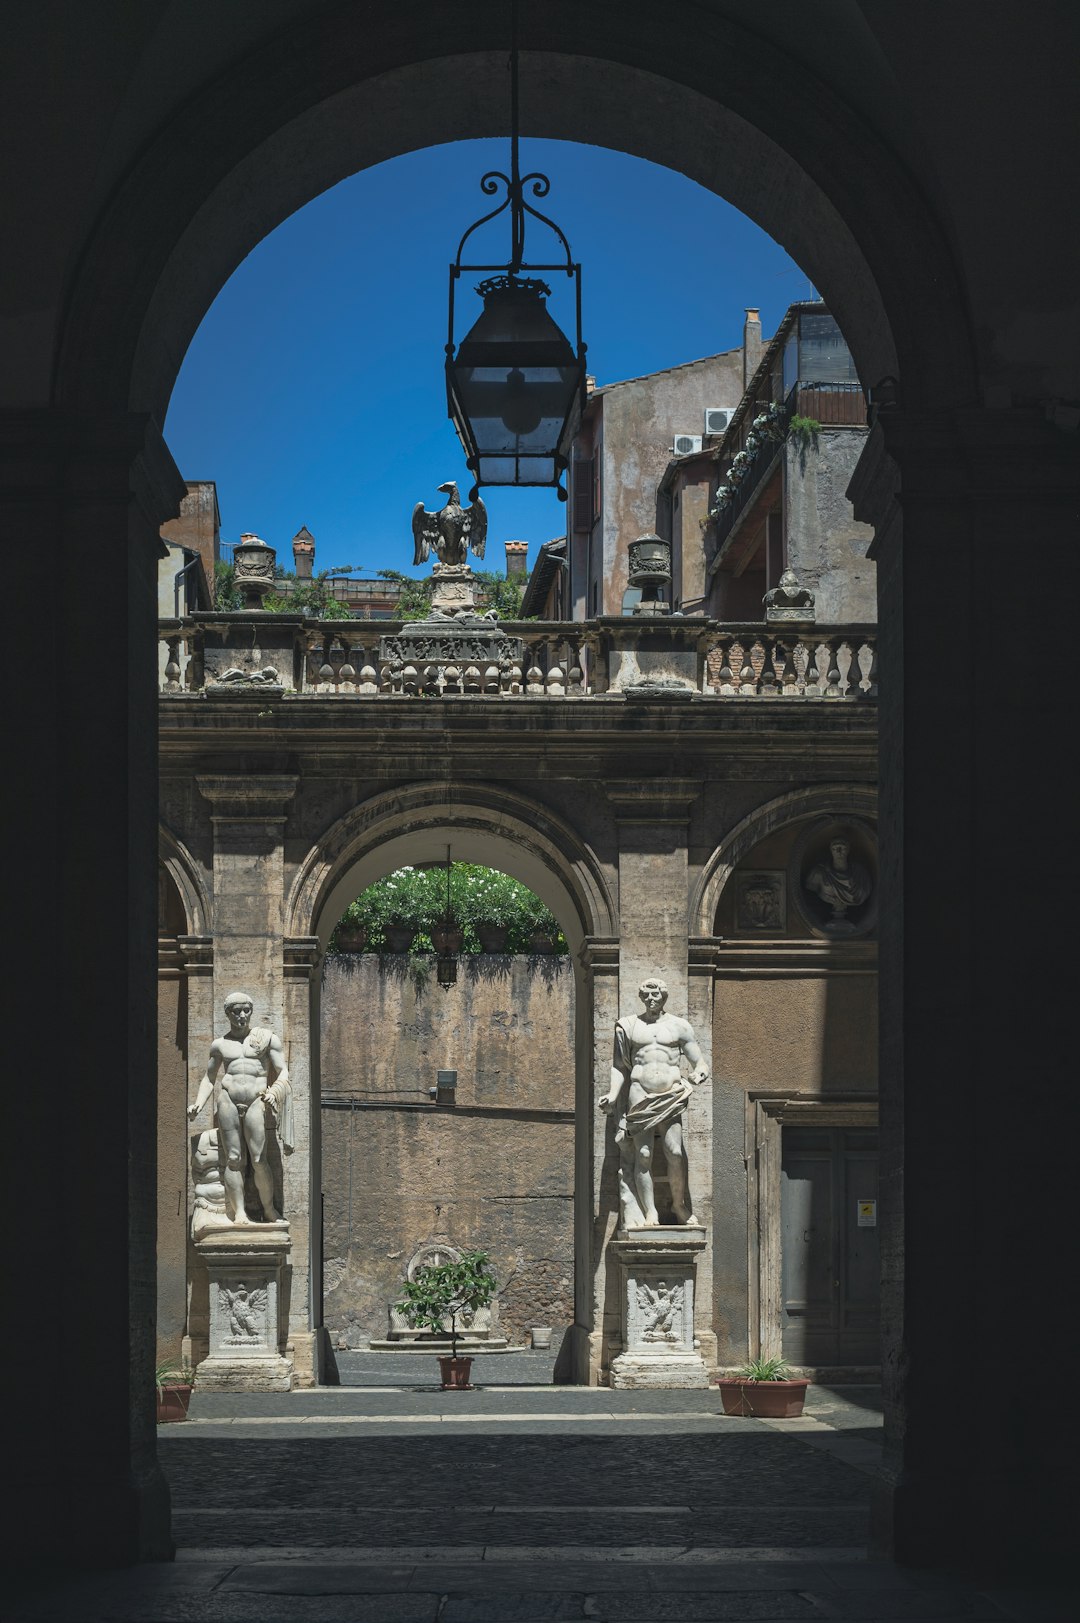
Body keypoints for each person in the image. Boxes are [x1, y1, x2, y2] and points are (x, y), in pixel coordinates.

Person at [600, 978, 709, 1228]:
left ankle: (678, 1205)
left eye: (655, 995)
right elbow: (619, 1066)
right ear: (641, 997)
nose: (651, 999)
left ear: (664, 997)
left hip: (671, 1095)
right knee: (644, 1154)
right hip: (639, 1094)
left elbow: (699, 1061)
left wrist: (700, 1072)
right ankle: (651, 1212)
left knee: (674, 1152)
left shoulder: (679, 1026)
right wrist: (613, 1094)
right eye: (646, 995)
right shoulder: (629, 1026)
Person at [187, 992, 293, 1224]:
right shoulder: (220, 1045)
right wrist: (199, 1103)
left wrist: (275, 1090)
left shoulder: (266, 1039)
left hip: (257, 1100)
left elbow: (283, 1070)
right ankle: (240, 1213)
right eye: (236, 1011)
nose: (242, 1015)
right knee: (234, 1159)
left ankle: (268, 1210)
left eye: (246, 1010)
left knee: (258, 1159)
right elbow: (209, 1078)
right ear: (228, 1014)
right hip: (228, 1101)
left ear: (251, 1012)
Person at [804, 833, 871, 931]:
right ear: (831, 850)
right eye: (835, 848)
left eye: (842, 848)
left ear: (848, 850)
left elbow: (864, 889)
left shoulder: (860, 874)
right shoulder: (818, 873)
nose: (839, 851)